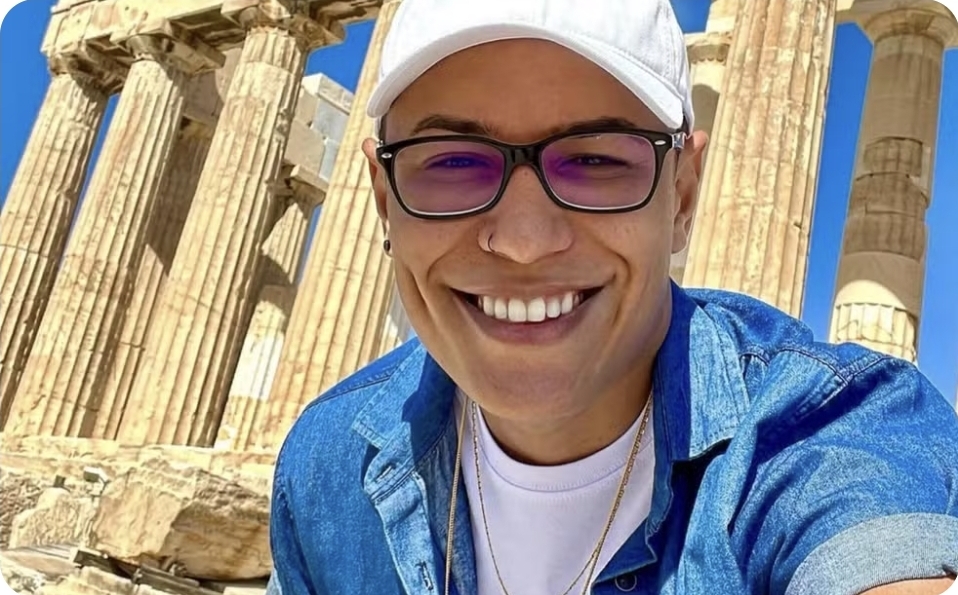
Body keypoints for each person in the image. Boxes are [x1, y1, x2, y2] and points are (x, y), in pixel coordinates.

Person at [267, 0, 958, 593]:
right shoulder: (327, 467)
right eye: (451, 160)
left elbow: (866, 536)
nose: (524, 241)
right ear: (384, 201)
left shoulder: (825, 429)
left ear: (682, 195)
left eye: (595, 158)